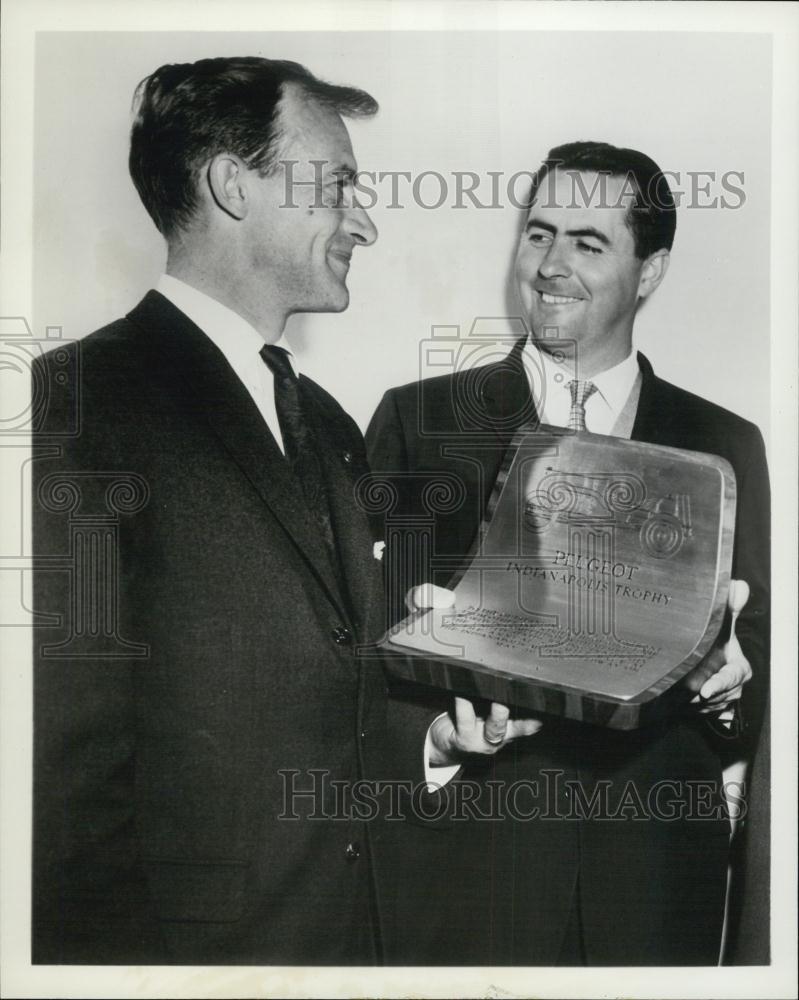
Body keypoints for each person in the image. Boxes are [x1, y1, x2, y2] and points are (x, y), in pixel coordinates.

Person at [31, 54, 506, 967]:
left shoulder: (323, 420)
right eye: (337, 187)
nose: (363, 220)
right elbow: (61, 781)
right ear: (229, 185)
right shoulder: (72, 404)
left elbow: (336, 690)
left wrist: (435, 740)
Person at [366, 141, 770, 965]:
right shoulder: (417, 424)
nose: (551, 265)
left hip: (657, 895)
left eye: (587, 242)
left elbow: (755, 670)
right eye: (538, 233)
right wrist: (440, 730)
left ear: (649, 271)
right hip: (468, 886)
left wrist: (729, 687)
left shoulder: (723, 444)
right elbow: (355, 658)